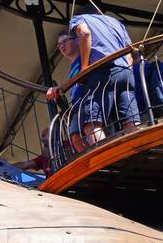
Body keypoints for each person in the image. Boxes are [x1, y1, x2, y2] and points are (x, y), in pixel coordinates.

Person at [47, 12, 140, 148]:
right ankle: (135, 149)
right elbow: (132, 52)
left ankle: (108, 158)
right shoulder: (114, 22)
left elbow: (84, 33)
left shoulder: (80, 21)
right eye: (59, 44)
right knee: (130, 120)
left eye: (65, 41)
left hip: (103, 74)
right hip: (125, 72)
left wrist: (85, 69)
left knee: (91, 125)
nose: (61, 46)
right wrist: (127, 70)